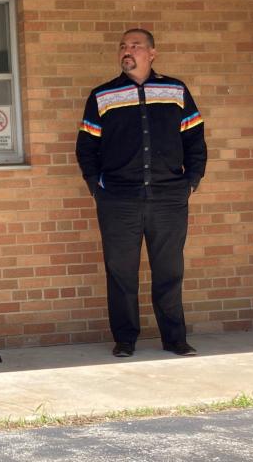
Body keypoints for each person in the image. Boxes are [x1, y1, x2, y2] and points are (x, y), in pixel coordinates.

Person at [76, 29, 207, 358]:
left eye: (134, 45)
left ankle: (174, 338)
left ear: (152, 53)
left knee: (169, 270)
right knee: (120, 271)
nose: (127, 50)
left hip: (168, 196)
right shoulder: (102, 95)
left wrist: (192, 179)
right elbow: (86, 147)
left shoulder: (175, 90)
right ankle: (125, 339)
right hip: (118, 198)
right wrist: (97, 187)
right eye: (123, 46)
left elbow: (195, 139)